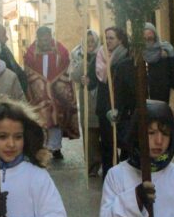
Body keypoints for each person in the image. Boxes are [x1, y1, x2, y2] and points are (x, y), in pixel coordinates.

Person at [110, 22, 174, 159]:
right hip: (134, 123)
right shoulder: (125, 66)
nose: (147, 43)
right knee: (133, 161)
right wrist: (116, 115)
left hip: (159, 122)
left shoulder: (164, 63)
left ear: (156, 39)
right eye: (143, 40)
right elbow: (118, 97)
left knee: (159, 160)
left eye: (150, 39)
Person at [23, 26, 79, 160]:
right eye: (41, 37)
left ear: (50, 36)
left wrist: (55, 83)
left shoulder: (60, 50)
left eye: (46, 37)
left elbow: (65, 64)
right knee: (41, 119)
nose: (44, 40)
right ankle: (42, 147)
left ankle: (56, 148)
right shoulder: (31, 51)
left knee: (56, 119)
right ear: (38, 37)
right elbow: (28, 70)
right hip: (39, 92)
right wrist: (41, 84)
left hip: (56, 91)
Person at [95, 27, 127, 177]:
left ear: (120, 40)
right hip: (104, 106)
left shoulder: (126, 55)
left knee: (124, 143)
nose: (107, 41)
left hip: (121, 106)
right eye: (106, 38)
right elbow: (91, 75)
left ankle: (125, 174)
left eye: (111, 38)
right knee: (107, 144)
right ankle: (109, 175)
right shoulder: (100, 54)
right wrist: (86, 79)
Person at [70, 29, 102, 176]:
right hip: (87, 101)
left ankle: (108, 162)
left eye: (92, 41)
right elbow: (74, 76)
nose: (90, 44)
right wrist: (85, 59)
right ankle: (92, 167)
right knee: (90, 135)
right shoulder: (77, 55)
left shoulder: (103, 54)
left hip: (101, 98)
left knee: (104, 133)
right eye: (87, 42)